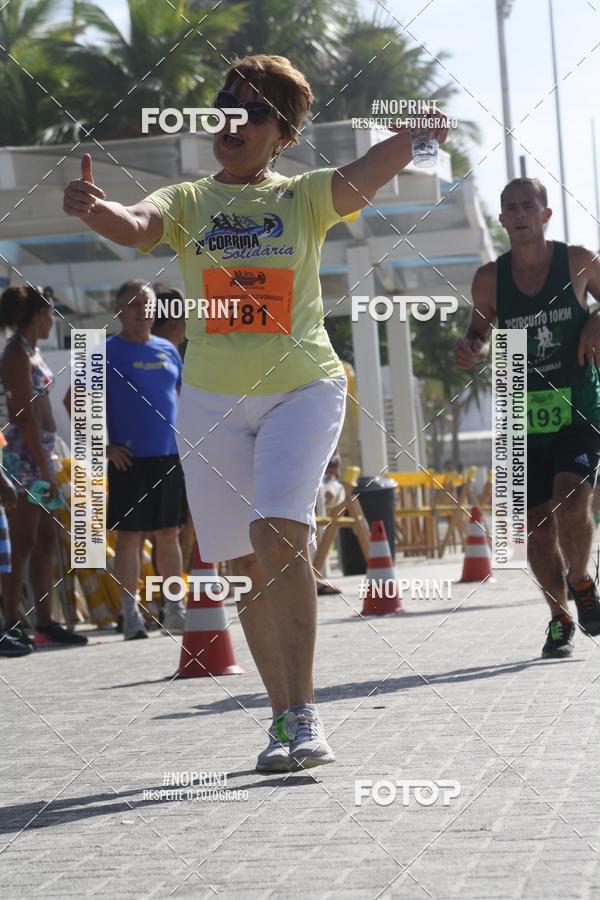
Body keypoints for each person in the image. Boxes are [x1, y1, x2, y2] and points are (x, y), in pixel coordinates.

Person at [63, 53, 448, 770]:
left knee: (277, 533)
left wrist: (423, 131)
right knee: (239, 565)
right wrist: (98, 211)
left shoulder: (305, 197)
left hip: (301, 387)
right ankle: (279, 717)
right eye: (225, 104)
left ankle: (306, 714)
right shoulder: (187, 200)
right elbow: (138, 224)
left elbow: (381, 161)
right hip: (209, 401)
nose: (233, 119)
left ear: (283, 133)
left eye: (254, 110)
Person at [455, 177, 600, 658]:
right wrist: (470, 347)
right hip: (521, 410)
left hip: (578, 405)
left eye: (527, 206)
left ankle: (581, 581)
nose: (519, 214)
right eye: (510, 208)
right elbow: (479, 328)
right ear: (501, 220)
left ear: (545, 214)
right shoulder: (488, 279)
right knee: (537, 528)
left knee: (573, 502)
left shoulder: (578, 261)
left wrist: (596, 319)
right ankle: (560, 620)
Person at [0, 285, 88, 647]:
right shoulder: (16, 354)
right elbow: (25, 418)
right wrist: (45, 468)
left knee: (47, 539)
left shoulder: (31, 352)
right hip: (23, 456)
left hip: (40, 455)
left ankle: (46, 621)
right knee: (22, 542)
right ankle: (12, 623)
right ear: (39, 315)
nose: (54, 319)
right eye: (52, 312)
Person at [104, 280, 188, 639]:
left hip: (168, 456)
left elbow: (182, 396)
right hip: (130, 460)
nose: (143, 311)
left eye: (148, 305)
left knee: (169, 534)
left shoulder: (168, 350)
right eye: (135, 305)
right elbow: (75, 402)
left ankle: (174, 610)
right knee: (131, 537)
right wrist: (106, 446)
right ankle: (131, 614)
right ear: (120, 311)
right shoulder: (104, 351)